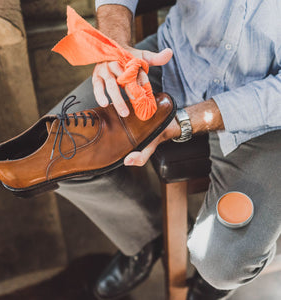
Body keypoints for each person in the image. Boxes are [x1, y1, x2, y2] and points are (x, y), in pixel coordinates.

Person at [49, 0, 281, 299]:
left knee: (226, 266)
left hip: (267, 115)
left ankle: (211, 281)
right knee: (58, 151)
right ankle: (147, 236)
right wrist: (115, 45)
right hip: (178, 60)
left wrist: (186, 121)